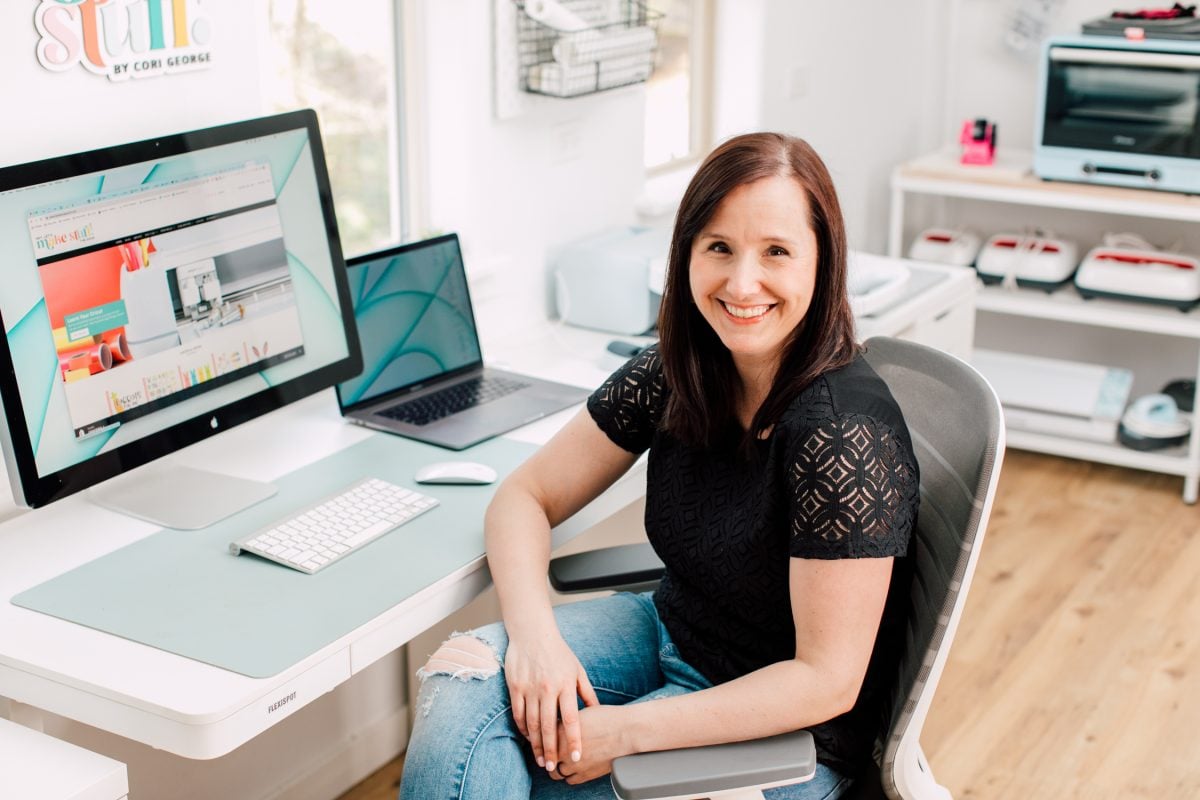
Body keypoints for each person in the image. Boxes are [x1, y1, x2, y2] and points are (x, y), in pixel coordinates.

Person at [398, 132, 920, 800]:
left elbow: (826, 679)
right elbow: (525, 496)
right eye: (719, 248)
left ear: (823, 264)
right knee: (463, 678)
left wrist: (627, 733)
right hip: (672, 636)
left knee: (526, 778)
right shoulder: (680, 372)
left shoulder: (843, 435)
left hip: (786, 738)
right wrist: (535, 643)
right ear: (686, 255)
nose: (741, 283)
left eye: (777, 253)